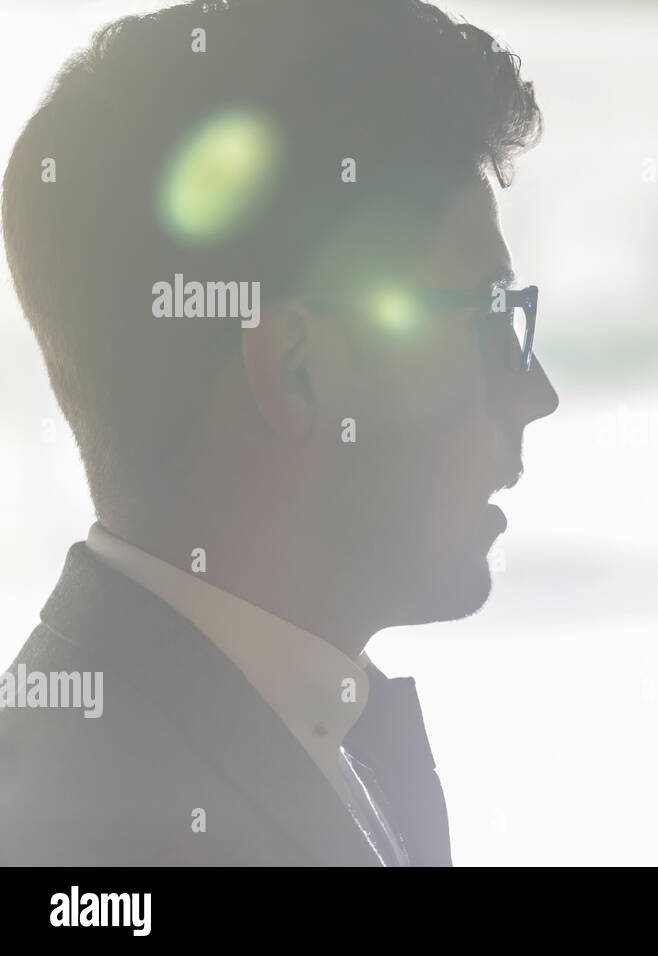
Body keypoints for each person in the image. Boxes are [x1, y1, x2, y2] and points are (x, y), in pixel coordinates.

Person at [0, 0, 558, 865]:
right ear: (298, 370)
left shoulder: (286, 739)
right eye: (488, 317)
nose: (536, 394)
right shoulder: (95, 840)